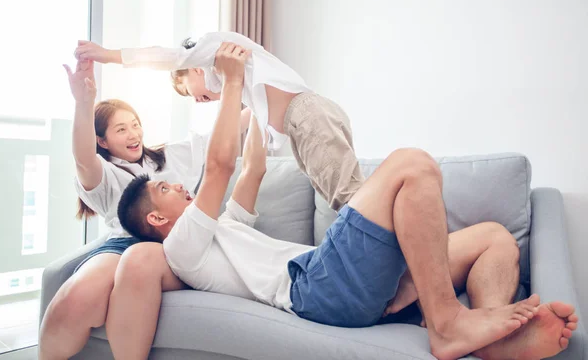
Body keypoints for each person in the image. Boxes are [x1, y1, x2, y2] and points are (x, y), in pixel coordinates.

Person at [116, 42, 579, 360]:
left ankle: (487, 335)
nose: (177, 185)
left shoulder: (223, 227)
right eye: (165, 188)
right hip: (317, 287)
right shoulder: (181, 248)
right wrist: (231, 81)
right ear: (158, 217)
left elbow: (251, 166)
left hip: (343, 278)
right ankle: (447, 324)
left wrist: (255, 93)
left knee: (495, 239)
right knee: (412, 165)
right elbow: (218, 167)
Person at [38, 57, 250, 360]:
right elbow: (84, 159)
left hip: (170, 244)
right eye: (121, 129)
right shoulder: (105, 174)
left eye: (135, 125)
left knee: (139, 263)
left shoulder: (168, 156)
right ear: (103, 140)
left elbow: (221, 136)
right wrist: (83, 103)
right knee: (74, 298)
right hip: (121, 245)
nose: (134, 134)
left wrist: (250, 95)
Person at [74, 31, 364, 213]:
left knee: (352, 202)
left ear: (196, 69)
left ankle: (401, 272)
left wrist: (108, 56)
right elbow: (235, 127)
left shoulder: (215, 47)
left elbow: (166, 56)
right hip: (302, 123)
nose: (199, 101)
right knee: (344, 202)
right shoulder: (248, 89)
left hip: (307, 115)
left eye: (191, 92)